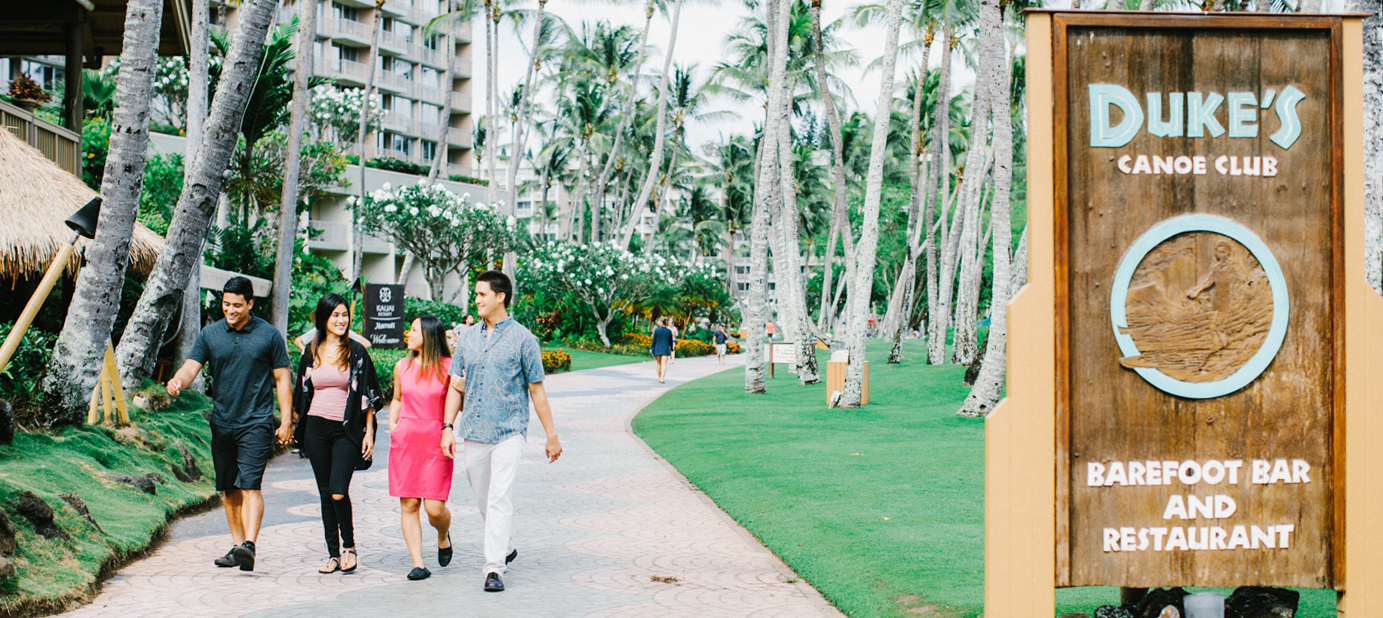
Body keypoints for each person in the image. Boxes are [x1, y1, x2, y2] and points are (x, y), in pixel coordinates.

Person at [441, 271, 562, 593]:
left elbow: (537, 391)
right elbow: (454, 386)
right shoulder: (466, 337)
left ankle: (494, 568)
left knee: (498, 498)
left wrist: (551, 435)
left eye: (482, 294)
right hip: (475, 430)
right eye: (476, 295)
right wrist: (447, 427)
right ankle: (506, 545)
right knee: (483, 499)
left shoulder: (524, 339)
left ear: (500, 297)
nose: (476, 300)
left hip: (510, 431)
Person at [166, 277, 291, 572]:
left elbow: (283, 379)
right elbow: (191, 367)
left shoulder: (269, 336)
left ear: (250, 304)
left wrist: (286, 420)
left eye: (237, 305)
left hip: (257, 421)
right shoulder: (210, 334)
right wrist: (177, 382)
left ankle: (249, 544)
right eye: (226, 304)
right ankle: (238, 548)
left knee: (250, 485)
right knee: (229, 489)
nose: (230, 310)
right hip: (222, 421)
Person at [291, 294, 384, 574]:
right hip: (315, 429)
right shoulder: (310, 350)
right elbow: (302, 393)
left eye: (345, 315)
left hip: (346, 429)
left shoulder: (356, 351)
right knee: (324, 493)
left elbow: (368, 394)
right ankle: (333, 554)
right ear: (324, 318)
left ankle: (350, 547)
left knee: (338, 491)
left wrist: (368, 432)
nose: (341, 320)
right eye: (335, 315)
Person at [388, 315, 456, 581]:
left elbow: (457, 404)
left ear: (428, 335)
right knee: (409, 503)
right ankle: (418, 563)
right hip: (406, 441)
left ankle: (442, 535)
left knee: (435, 508)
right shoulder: (401, 366)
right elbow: (396, 398)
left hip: (437, 441)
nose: (409, 334)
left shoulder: (448, 367)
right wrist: (394, 424)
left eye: (414, 330)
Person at [651, 317, 674, 382]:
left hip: (657, 349)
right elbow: (671, 341)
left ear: (661, 322)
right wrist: (672, 349)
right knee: (664, 363)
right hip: (665, 349)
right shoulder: (669, 331)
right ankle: (662, 378)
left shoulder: (657, 330)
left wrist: (651, 348)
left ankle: (659, 377)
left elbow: (654, 340)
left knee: (658, 364)